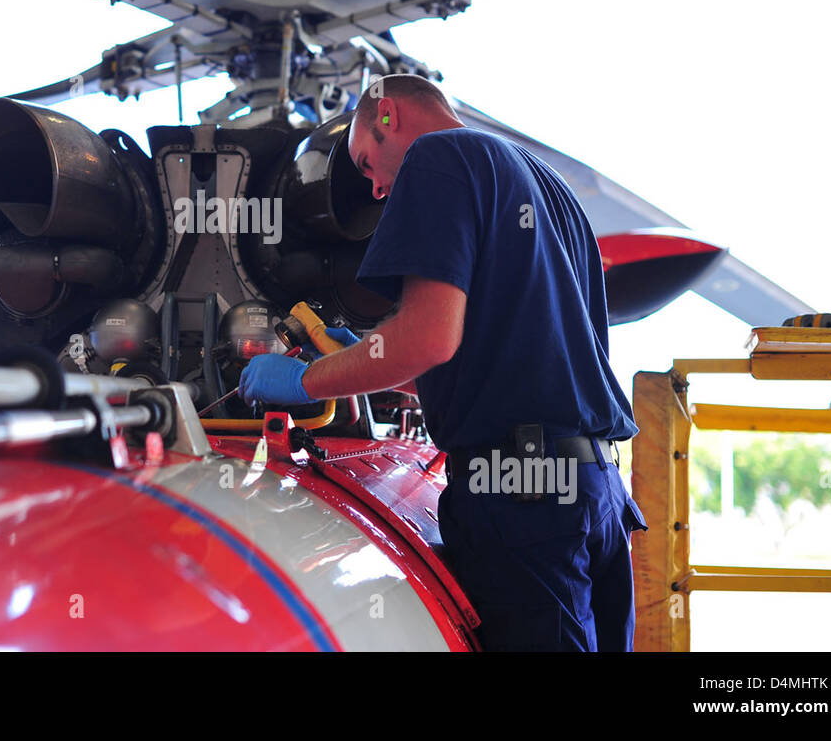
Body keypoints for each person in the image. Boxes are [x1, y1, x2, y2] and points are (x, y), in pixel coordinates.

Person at [238, 73, 649, 651]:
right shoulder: (544, 183)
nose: (377, 189)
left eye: (365, 163)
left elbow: (429, 339)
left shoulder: (439, 155)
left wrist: (303, 379)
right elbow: (465, 349)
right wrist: (359, 353)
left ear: (387, 117)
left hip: (520, 493)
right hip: (591, 485)